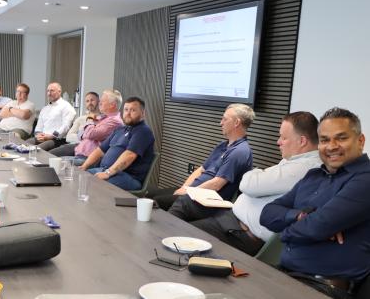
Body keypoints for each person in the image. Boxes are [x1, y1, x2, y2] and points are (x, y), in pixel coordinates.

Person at [260, 107, 370, 299]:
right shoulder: (314, 176)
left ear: (360, 141)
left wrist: (286, 233)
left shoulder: (365, 179)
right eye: (325, 140)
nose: (332, 146)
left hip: (325, 288)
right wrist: (299, 216)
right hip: (286, 275)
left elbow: (317, 227)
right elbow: (267, 214)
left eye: (341, 138)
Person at [189, 112, 321, 256]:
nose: (278, 142)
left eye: (284, 137)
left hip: (240, 235)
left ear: (302, 141)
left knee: (181, 234)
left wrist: (257, 172)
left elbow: (247, 184)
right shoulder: (294, 162)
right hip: (232, 224)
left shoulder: (303, 168)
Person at [148, 103, 254, 216]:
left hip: (207, 200)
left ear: (236, 123)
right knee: (150, 196)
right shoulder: (223, 145)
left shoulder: (239, 151)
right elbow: (201, 170)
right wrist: (185, 187)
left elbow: (216, 184)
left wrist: (188, 192)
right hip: (194, 192)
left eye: (224, 119)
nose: (221, 123)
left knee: (156, 202)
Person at [79, 97, 155, 190]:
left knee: (91, 184)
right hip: (105, 170)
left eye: (133, 110)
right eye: (126, 109)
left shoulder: (143, 131)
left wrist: (108, 173)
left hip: (128, 177)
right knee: (79, 177)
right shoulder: (120, 129)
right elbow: (100, 150)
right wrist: (84, 166)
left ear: (142, 114)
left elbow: (129, 155)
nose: (128, 113)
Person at [50, 90, 123, 166]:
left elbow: (91, 133)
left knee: (53, 163)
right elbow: (80, 134)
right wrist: (88, 130)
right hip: (80, 154)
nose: (100, 103)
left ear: (112, 105)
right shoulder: (103, 118)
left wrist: (90, 121)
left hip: (89, 159)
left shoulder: (114, 121)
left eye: (103, 101)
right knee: (50, 159)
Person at [27, 82, 77, 151]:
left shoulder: (67, 107)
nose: (49, 93)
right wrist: (39, 135)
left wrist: (51, 136)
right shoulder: (45, 108)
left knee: (36, 150)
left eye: (52, 91)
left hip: (57, 140)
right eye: (48, 91)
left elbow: (65, 127)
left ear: (59, 92)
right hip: (42, 137)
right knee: (23, 145)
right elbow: (39, 126)